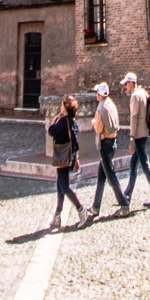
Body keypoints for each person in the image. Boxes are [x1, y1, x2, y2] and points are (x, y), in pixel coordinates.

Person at [85, 81, 129, 222]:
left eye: (96, 93)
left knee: (110, 177)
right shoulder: (110, 104)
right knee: (101, 176)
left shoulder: (100, 108)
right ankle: (95, 207)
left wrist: (93, 123)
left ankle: (124, 205)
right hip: (113, 142)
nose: (96, 95)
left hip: (105, 144)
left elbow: (98, 128)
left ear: (99, 94)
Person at [121, 72, 150, 208]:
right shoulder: (143, 93)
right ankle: (127, 194)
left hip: (138, 135)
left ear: (131, 83)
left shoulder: (135, 96)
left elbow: (134, 117)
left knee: (144, 165)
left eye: (126, 84)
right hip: (144, 132)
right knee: (133, 165)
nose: (125, 86)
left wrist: (131, 138)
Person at [47, 94, 85, 230]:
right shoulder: (73, 121)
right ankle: (57, 215)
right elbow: (75, 142)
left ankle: (81, 210)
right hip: (69, 156)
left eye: (62, 105)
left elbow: (51, 131)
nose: (60, 107)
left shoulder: (63, 121)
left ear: (65, 107)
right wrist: (76, 158)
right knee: (60, 185)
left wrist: (55, 119)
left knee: (64, 187)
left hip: (62, 156)